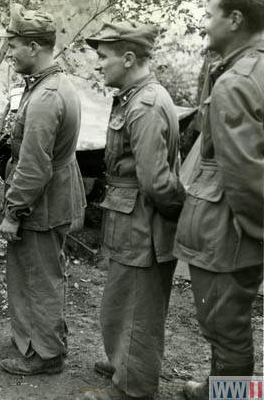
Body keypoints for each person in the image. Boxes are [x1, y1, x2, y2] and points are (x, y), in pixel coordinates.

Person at [83, 22, 185, 399]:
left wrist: (175, 217)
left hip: (145, 225)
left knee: (138, 310)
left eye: (103, 57)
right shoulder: (135, 97)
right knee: (122, 300)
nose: (98, 65)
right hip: (133, 220)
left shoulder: (144, 105)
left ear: (128, 59)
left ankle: (133, 386)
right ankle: (122, 361)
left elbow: (157, 183)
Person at [173, 0, 264, 399]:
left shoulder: (237, 80)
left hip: (230, 227)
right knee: (231, 320)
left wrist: (259, 230)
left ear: (235, 20)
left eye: (210, 15)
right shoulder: (251, 69)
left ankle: (231, 396)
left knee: (225, 325)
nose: (204, 24)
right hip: (238, 224)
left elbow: (244, 174)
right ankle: (220, 389)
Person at [0, 4, 86, 376]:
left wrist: (13, 213)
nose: (10, 51)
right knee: (46, 274)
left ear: (34, 47)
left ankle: (43, 354)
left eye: (14, 44)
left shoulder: (46, 97)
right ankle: (45, 340)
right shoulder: (55, 85)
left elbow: (34, 166)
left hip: (40, 204)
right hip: (54, 198)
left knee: (35, 277)